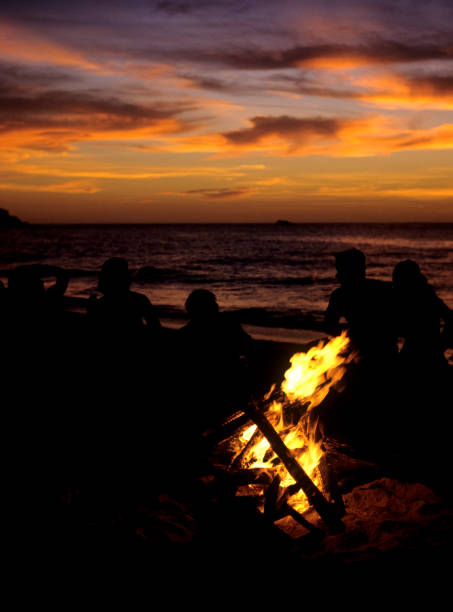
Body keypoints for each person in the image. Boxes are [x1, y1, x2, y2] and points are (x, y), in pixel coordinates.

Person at [177, 289, 253, 433]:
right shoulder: (228, 325)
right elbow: (248, 347)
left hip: (201, 392)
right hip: (227, 388)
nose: (217, 306)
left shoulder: (184, 334)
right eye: (213, 303)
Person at [325, 248, 397, 362]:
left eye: (340, 269)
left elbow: (329, 326)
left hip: (376, 354)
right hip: (380, 352)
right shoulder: (383, 289)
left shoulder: (340, 295)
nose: (337, 275)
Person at [392, 259, 451, 371]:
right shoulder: (425, 295)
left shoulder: (425, 297)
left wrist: (439, 347)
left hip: (422, 355)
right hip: (420, 352)